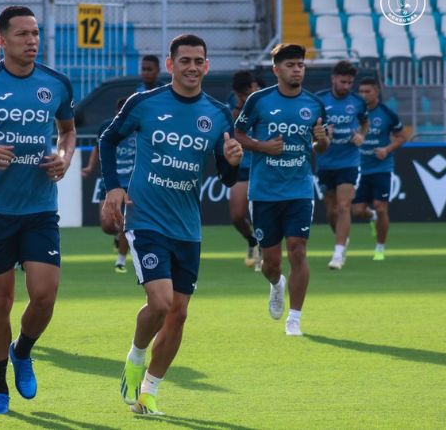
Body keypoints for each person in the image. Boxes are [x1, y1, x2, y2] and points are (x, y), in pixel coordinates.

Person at [102, 34, 242, 415]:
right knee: (161, 303)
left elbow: (228, 178)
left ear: (207, 66)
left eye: (199, 61)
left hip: (187, 226)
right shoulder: (144, 103)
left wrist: (232, 159)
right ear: (171, 65)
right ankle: (135, 355)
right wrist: (113, 186)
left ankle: (149, 392)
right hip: (146, 218)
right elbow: (107, 139)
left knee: (178, 313)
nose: (192, 67)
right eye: (185, 60)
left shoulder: (217, 114)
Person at [0, 5, 76, 415]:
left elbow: (68, 130)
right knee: (0, 301)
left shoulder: (56, 83)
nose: (32, 41)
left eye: (35, 33)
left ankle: (21, 350)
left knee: (44, 296)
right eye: (23, 34)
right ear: (2, 41)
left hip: (41, 207)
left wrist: (64, 156)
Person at [234, 43, 329, 337]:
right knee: (271, 263)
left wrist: (321, 140)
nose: (297, 69)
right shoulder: (258, 101)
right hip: (264, 191)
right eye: (290, 65)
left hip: (300, 188)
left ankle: (295, 318)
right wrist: (262, 146)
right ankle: (277, 284)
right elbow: (238, 133)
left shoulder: (315, 104)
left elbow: (320, 148)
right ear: (277, 70)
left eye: (300, 65)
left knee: (298, 250)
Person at [315, 60, 369, 270]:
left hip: (349, 160)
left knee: (344, 205)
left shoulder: (357, 102)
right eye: (343, 81)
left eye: (350, 82)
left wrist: (361, 136)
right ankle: (342, 238)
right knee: (331, 211)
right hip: (326, 162)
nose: (346, 86)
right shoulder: (319, 100)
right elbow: (311, 127)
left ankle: (338, 253)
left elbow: (365, 123)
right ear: (333, 79)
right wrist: (321, 134)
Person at [352, 77, 412, 261]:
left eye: (367, 91)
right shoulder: (353, 112)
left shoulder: (387, 113)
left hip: (381, 168)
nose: (363, 95)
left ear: (376, 92)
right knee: (357, 211)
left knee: (381, 206)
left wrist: (386, 149)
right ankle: (371, 217)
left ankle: (380, 248)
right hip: (359, 168)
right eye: (361, 91)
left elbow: (402, 137)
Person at [81, 96, 134, 273]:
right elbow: (98, 148)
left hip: (132, 184)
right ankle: (118, 237)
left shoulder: (140, 127)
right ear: (116, 113)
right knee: (107, 225)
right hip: (111, 182)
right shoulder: (107, 127)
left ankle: (120, 261)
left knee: (128, 224)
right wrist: (90, 167)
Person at [227, 70, 261, 269]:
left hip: (260, 164)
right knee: (237, 216)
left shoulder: (263, 101)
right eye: (243, 94)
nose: (247, 95)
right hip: (240, 164)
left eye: (251, 91)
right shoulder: (233, 103)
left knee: (259, 213)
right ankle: (251, 240)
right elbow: (232, 128)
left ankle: (263, 254)